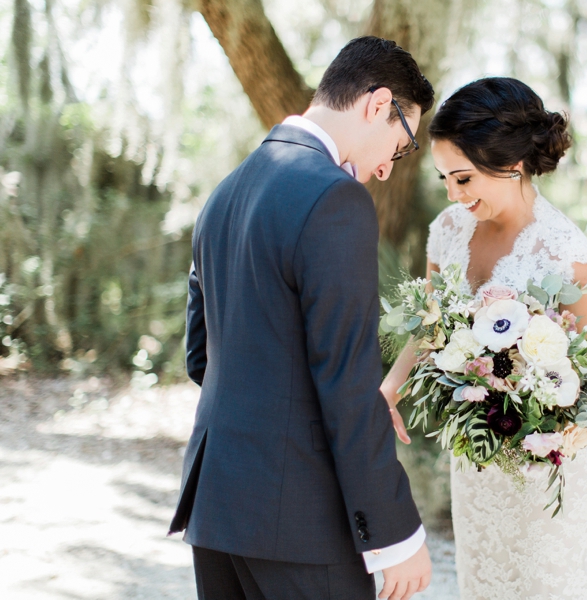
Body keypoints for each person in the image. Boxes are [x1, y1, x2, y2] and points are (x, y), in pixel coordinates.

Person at [168, 36, 435, 600]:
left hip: (217, 511)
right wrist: (396, 535)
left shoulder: (223, 194)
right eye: (402, 141)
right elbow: (346, 379)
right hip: (298, 524)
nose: (388, 168)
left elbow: (203, 357)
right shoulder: (333, 198)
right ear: (377, 103)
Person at [381, 77, 587, 599]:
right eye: (443, 178)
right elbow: (432, 321)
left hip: (548, 471)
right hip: (476, 457)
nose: (452, 195)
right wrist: (391, 387)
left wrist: (541, 419)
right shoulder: (447, 229)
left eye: (462, 178)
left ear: (511, 164)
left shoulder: (569, 257)